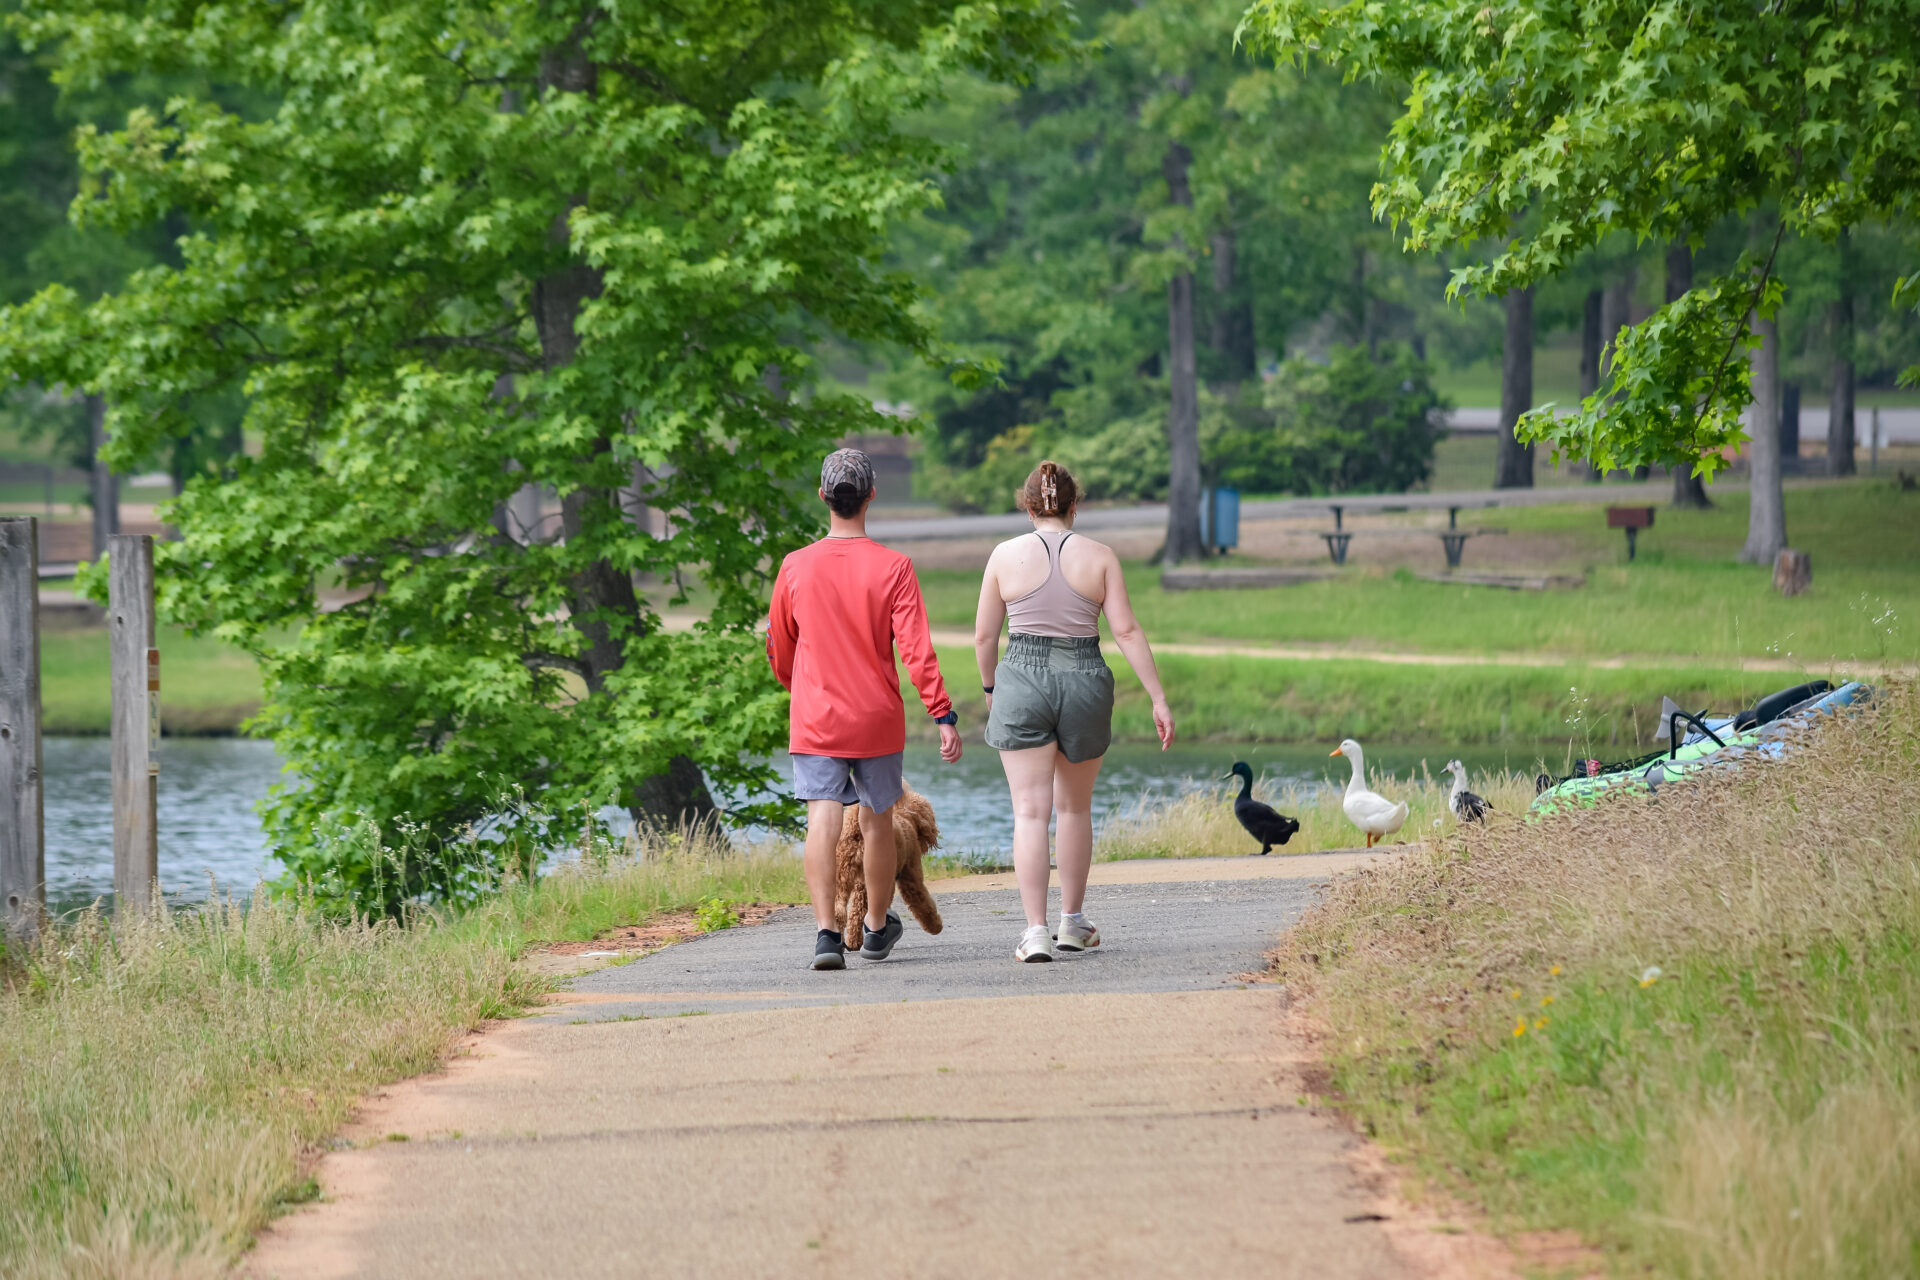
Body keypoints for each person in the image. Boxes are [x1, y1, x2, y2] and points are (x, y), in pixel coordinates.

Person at [767, 448, 963, 971]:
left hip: (817, 718)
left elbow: (781, 647)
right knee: (878, 821)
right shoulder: (894, 567)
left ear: (823, 497)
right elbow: (916, 650)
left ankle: (827, 936)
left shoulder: (794, 566)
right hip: (877, 717)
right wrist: (941, 713)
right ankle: (876, 929)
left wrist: (798, 685)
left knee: (821, 821)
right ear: (871, 496)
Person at [975, 460, 1174, 962]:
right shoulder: (1100, 556)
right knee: (1074, 808)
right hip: (1084, 676)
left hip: (1021, 676)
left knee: (1029, 811)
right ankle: (1072, 923)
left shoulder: (1003, 555)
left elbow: (984, 636)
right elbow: (1126, 632)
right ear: (1073, 506)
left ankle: (1035, 931)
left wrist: (991, 690)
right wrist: (1158, 697)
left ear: (1027, 507)